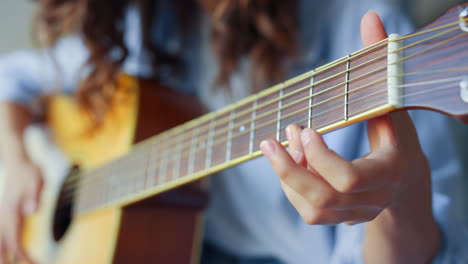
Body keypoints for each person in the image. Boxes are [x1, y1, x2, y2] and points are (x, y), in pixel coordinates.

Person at [0, 0, 467, 263]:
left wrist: (401, 199)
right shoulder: (136, 20)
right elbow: (14, 79)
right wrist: (15, 157)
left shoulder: (361, 22)